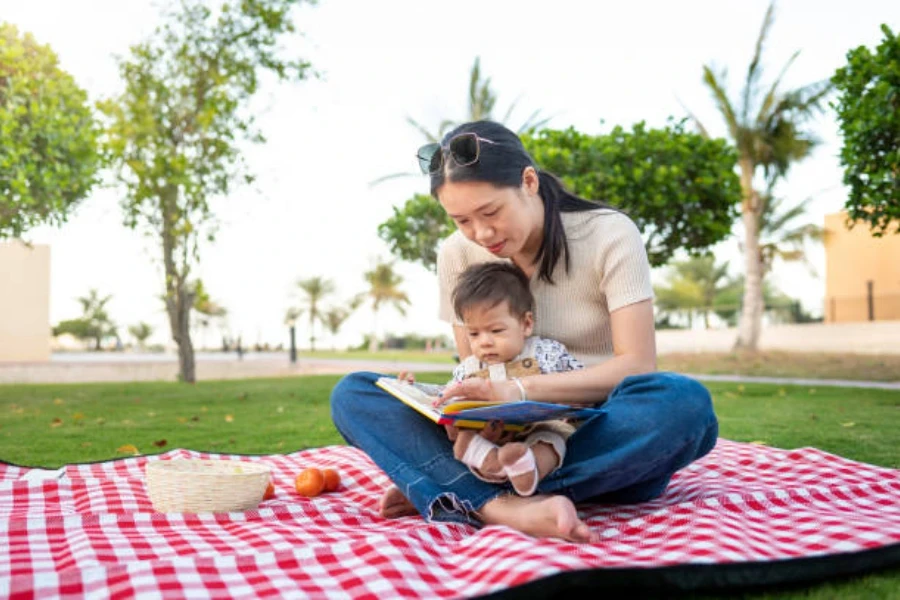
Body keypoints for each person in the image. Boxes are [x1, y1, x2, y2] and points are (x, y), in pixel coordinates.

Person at [330, 120, 718, 543]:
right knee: (355, 392)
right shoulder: (456, 255)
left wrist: (519, 392)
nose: (482, 234)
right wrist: (445, 406)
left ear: (528, 181)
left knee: (684, 404)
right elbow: (476, 366)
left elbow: (638, 365)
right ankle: (503, 506)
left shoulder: (609, 234)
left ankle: (450, 486)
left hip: (595, 429)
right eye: (462, 220)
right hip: (500, 438)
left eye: (491, 212)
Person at [398, 261, 585, 497]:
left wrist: (577, 404)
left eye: (496, 331)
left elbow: (578, 384)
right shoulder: (468, 368)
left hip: (540, 429)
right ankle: (491, 465)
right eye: (474, 334)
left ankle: (529, 468)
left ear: (526, 324)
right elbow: (445, 399)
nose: (484, 342)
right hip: (489, 437)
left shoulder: (546, 352)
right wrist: (412, 389)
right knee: (463, 440)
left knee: (551, 438)